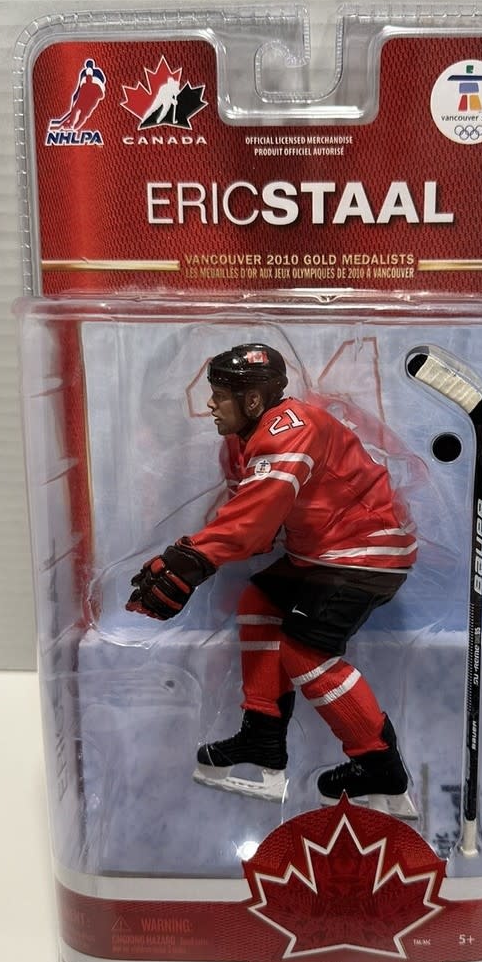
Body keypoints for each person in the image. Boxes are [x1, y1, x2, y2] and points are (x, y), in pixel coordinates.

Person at [126, 343, 417, 816]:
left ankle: (379, 765)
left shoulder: (291, 429)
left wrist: (190, 560)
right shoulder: (240, 442)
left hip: (365, 551)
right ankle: (263, 739)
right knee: (258, 601)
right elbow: (255, 529)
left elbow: (253, 521)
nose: (210, 404)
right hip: (322, 553)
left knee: (306, 650)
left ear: (254, 400)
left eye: (220, 395)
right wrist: (198, 557)